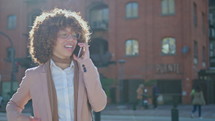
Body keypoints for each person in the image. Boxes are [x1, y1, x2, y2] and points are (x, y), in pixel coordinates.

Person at [6, 8, 107, 121]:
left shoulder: (86, 70)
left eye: (75, 35)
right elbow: (13, 104)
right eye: (64, 34)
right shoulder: (34, 75)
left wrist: (87, 62)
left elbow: (99, 106)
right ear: (48, 39)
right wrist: (20, 118)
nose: (71, 39)